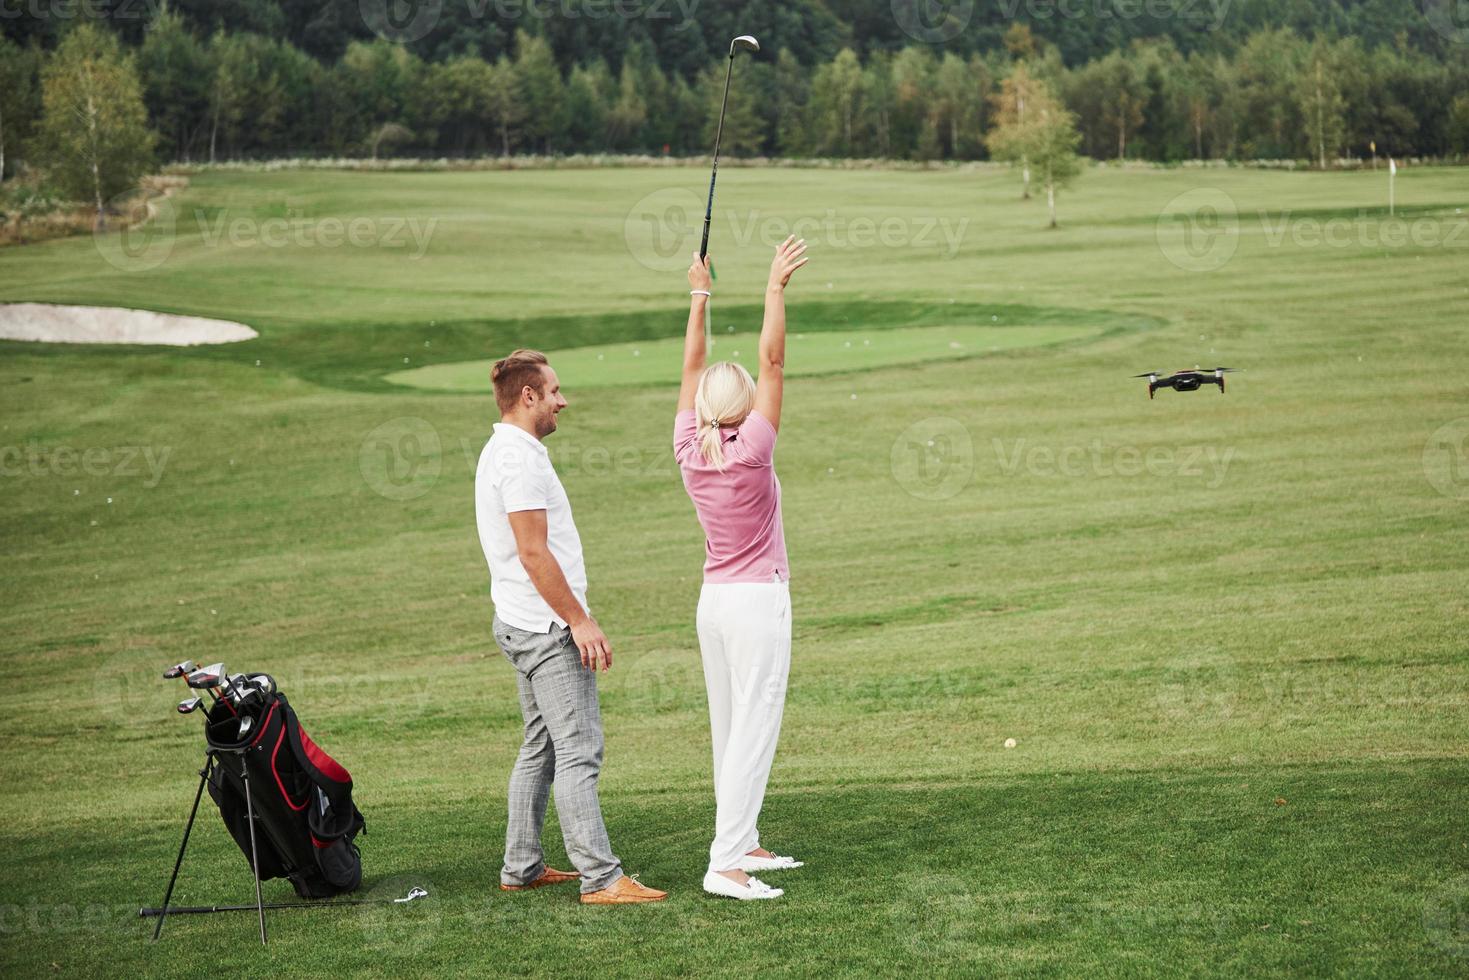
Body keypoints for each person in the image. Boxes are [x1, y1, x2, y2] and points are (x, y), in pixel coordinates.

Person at [475, 349, 667, 905]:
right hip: (546, 630)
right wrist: (579, 621)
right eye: (554, 390)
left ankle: (521, 865)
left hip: (518, 622)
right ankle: (602, 878)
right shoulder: (519, 460)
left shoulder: (504, 450)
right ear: (528, 396)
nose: (564, 400)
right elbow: (534, 554)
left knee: (541, 746)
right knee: (580, 750)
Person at [674, 236, 810, 900]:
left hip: (714, 606)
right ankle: (725, 865)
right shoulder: (752, 446)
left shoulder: (686, 444)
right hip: (756, 603)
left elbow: (692, 361)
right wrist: (774, 287)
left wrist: (700, 293)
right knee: (752, 728)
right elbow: (774, 357)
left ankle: (745, 840)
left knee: (729, 727)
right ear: (743, 404)